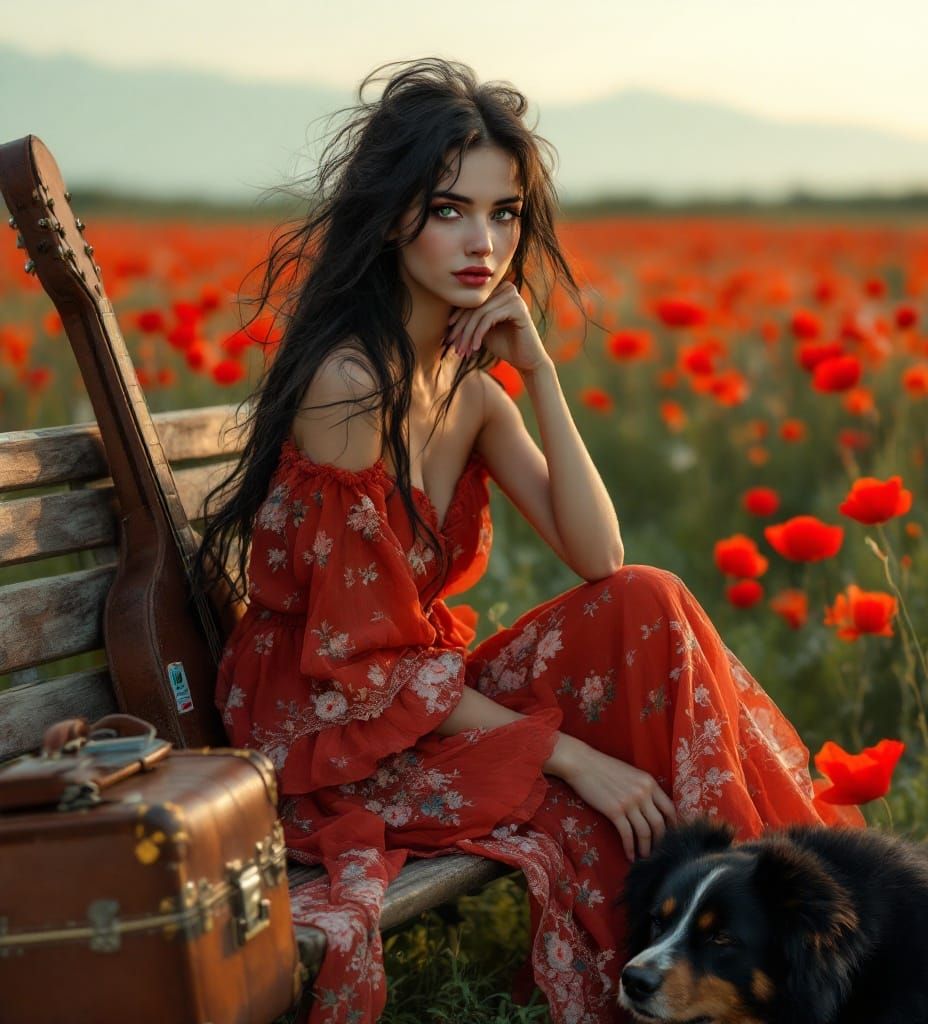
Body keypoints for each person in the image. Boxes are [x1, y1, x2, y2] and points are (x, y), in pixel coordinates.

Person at [197, 57, 863, 1024]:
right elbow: (361, 669)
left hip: (415, 696)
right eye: (450, 210)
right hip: (326, 732)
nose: (485, 242)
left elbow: (601, 560)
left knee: (649, 599)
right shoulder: (348, 384)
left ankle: (788, 928)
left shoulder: (469, 393)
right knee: (597, 778)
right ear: (391, 220)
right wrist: (574, 758)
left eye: (505, 214)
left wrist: (540, 373)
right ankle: (785, 961)